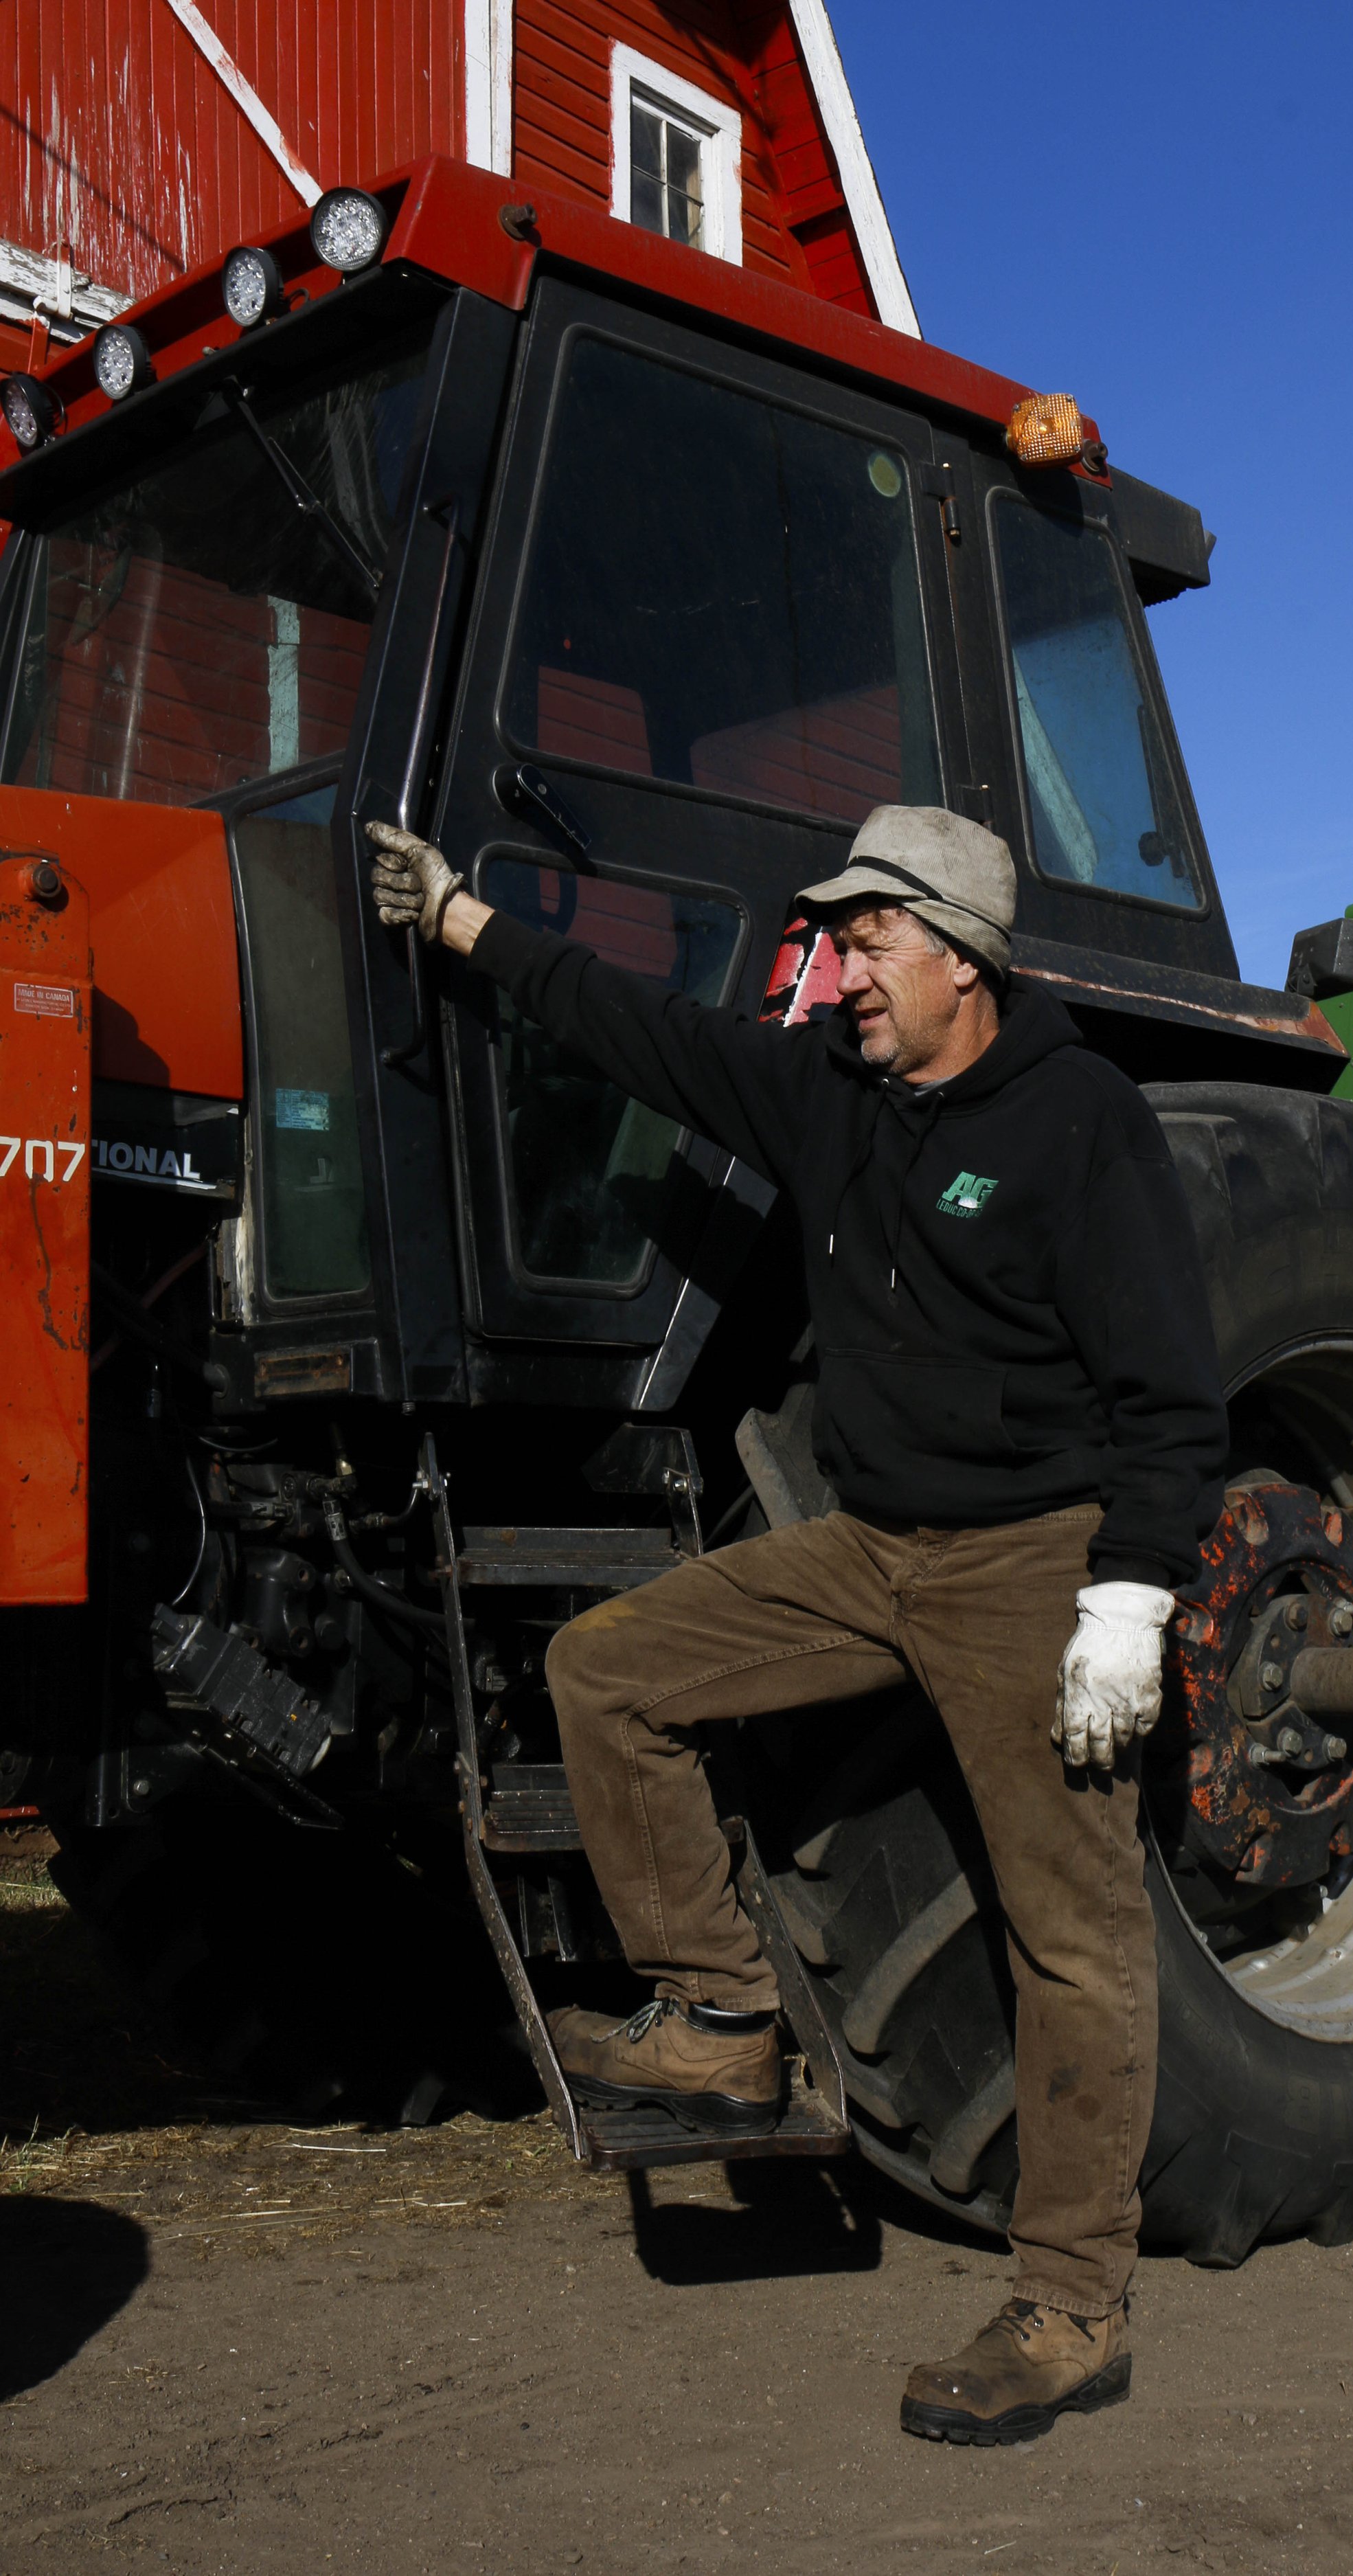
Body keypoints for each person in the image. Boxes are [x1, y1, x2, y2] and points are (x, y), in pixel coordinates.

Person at [367, 806, 1228, 2448]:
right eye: (838, 943)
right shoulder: (828, 1094)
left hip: (1028, 1564)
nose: (839, 974)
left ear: (961, 958)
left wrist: (1127, 1595)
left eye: (871, 944)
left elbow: (1168, 1393)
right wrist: (470, 927)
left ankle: (1071, 2305)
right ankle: (723, 2018)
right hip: (870, 1545)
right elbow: (648, 1032)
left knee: (1073, 1938)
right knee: (605, 1672)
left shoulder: (1077, 1123)